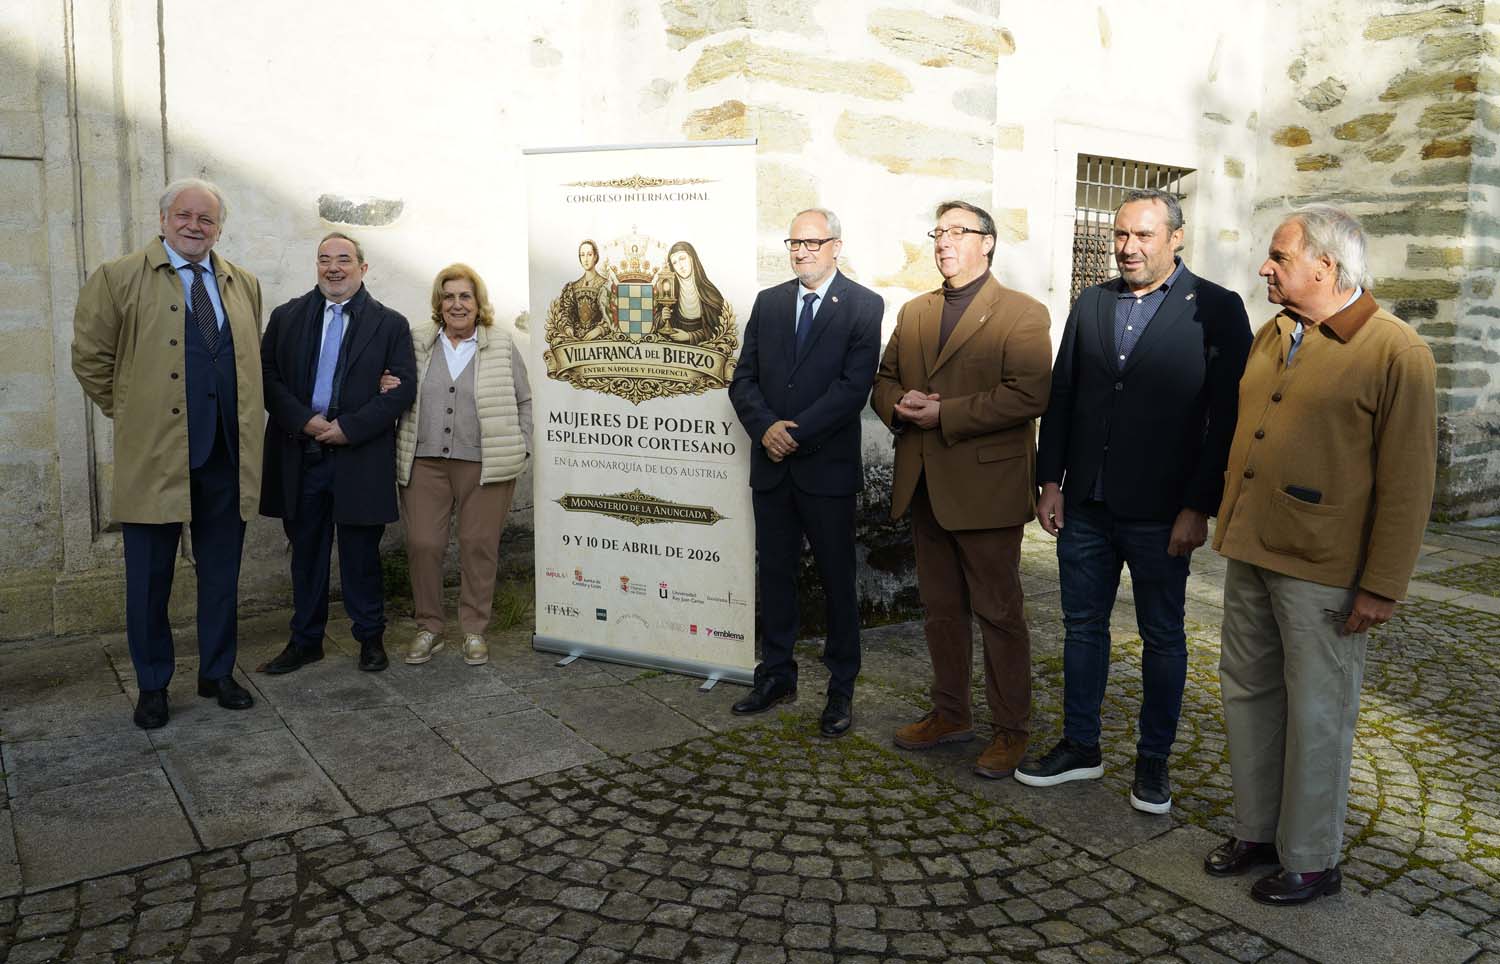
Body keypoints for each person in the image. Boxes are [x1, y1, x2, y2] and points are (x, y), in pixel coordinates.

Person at [1206, 205, 1435, 906]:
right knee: (1248, 694)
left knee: (1317, 713)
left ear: (1325, 267)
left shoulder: (1397, 351)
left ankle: (1311, 857)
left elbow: (1408, 484)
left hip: (1326, 568)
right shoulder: (1273, 333)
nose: (1265, 268)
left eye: (1278, 257)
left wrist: (1381, 587)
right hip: (1251, 546)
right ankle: (1258, 830)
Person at [1015, 189, 1251, 814]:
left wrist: (1199, 505)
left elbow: (1226, 417)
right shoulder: (1092, 302)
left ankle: (1153, 761)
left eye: (1144, 236)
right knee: (1082, 627)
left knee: (1162, 636)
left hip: (1161, 511)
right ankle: (1080, 746)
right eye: (1121, 235)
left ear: (1177, 238)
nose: (1128, 247)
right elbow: (1063, 394)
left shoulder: (1217, 310)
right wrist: (1050, 480)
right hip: (1086, 505)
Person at [71, 178, 265, 729]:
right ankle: (153, 684)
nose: (195, 226)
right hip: (155, 456)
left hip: (227, 453)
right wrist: (132, 413)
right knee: (150, 577)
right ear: (163, 220)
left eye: (207, 219)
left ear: (219, 228)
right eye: (184, 215)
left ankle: (217, 672)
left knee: (222, 573)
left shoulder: (241, 283)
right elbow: (90, 357)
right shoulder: (118, 277)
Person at [871, 200, 1052, 778]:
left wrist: (944, 413)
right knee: (941, 611)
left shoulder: (1022, 313)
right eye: (939, 232)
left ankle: (1011, 729)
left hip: (987, 488)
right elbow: (885, 377)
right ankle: (951, 714)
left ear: (988, 242)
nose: (944, 242)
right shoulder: (917, 310)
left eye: (957, 232)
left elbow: (1029, 395)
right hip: (925, 483)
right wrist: (898, 405)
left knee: (999, 613)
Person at [728, 208, 884, 737]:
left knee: (839, 581)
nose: (801, 252)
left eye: (812, 243)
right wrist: (766, 428)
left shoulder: (863, 306)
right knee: (774, 576)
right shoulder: (769, 303)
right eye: (794, 242)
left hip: (826, 470)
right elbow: (742, 379)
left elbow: (852, 387)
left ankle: (841, 688)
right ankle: (776, 674)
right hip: (771, 468)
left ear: (836, 246)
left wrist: (793, 433)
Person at [258, 233, 417, 675]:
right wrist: (303, 419)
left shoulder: (390, 325)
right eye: (324, 260)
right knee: (306, 553)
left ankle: (370, 638)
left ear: (362, 269)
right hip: (301, 452)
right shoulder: (287, 316)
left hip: (358, 455)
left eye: (344, 260)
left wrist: (349, 428)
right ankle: (306, 641)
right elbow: (266, 375)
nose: (333, 268)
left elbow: (402, 387)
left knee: (360, 556)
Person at [395, 264, 532, 667]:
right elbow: (395, 386)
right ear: (439, 302)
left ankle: (474, 629)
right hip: (424, 461)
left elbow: (525, 399)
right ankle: (429, 628)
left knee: (478, 546)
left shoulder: (502, 345)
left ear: (478, 303)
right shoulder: (418, 342)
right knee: (424, 544)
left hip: (484, 464)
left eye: (465, 296)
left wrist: (522, 444)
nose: (457, 304)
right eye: (449, 296)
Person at [657, 241, 726, 344]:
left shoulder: (710, 292)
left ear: (692, 258)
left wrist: (690, 336)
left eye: (682, 259)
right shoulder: (669, 292)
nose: (680, 266)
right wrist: (662, 318)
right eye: (674, 263)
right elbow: (653, 323)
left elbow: (718, 328)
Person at [563, 240, 612, 341]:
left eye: (589, 255)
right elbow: (566, 313)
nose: (585, 259)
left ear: (595, 257)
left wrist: (599, 330)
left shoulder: (606, 285)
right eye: (582, 255)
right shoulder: (573, 286)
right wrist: (568, 328)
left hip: (599, 341)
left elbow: (612, 313)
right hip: (577, 341)